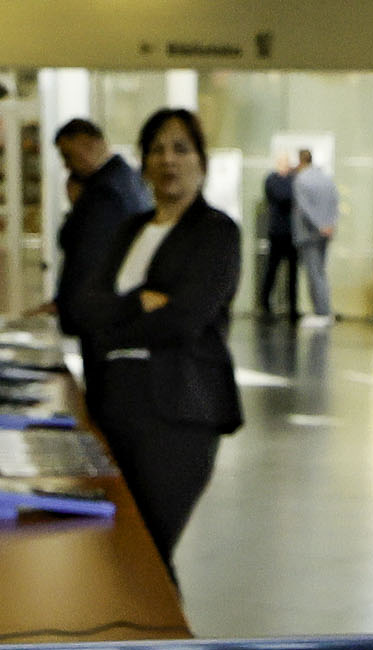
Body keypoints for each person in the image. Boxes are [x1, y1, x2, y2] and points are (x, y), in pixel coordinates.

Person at [63, 107, 243, 571]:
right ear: (143, 163)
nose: (168, 160)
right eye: (157, 150)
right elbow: (80, 308)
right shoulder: (130, 230)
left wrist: (108, 331)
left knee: (149, 554)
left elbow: (184, 320)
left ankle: (166, 642)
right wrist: (137, 302)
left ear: (202, 163)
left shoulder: (217, 234)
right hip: (112, 402)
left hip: (177, 412)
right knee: (115, 550)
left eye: (181, 148)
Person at [47, 117, 150, 334]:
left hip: (98, 316)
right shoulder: (127, 180)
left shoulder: (104, 193)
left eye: (68, 156)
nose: (67, 166)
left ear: (88, 143)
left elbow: (87, 257)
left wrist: (69, 307)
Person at [290, 147, 338, 328]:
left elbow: (304, 208)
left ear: (300, 161)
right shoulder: (326, 178)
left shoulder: (301, 180)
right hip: (326, 232)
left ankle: (321, 312)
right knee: (321, 273)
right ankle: (324, 310)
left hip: (309, 233)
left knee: (313, 273)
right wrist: (329, 225)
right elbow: (335, 202)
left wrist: (319, 225)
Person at [254, 147, 302, 321]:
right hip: (277, 232)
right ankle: (265, 304)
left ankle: (293, 308)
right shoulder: (272, 180)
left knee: (292, 273)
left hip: (291, 232)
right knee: (272, 270)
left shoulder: (293, 179)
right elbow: (282, 196)